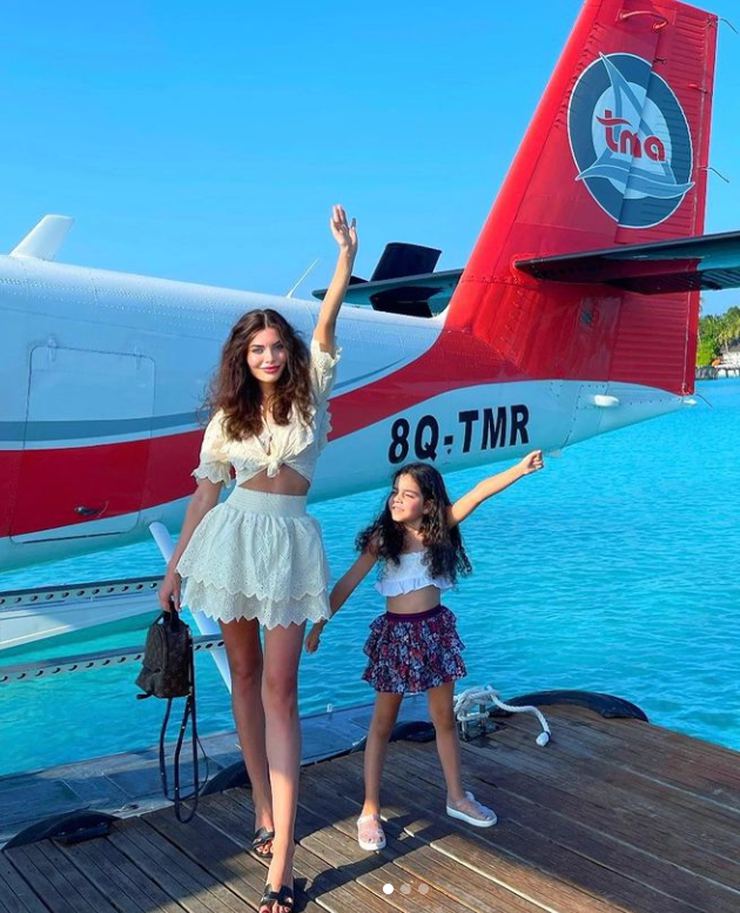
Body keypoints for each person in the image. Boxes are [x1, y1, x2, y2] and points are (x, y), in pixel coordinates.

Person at [159, 205, 358, 913]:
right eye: (257, 350)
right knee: (242, 677)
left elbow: (327, 328)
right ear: (242, 359)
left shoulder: (311, 396)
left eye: (276, 347)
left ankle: (283, 862)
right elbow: (205, 494)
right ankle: (264, 813)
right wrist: (175, 569)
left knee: (281, 690)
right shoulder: (227, 419)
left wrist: (344, 258)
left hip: (289, 544)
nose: (269, 357)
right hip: (231, 542)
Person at [304, 453, 544, 851]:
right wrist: (320, 624)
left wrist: (519, 469)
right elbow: (346, 583)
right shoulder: (383, 540)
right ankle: (369, 809)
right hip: (396, 636)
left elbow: (478, 493)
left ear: (429, 504)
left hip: (434, 632)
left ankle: (457, 797)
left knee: (443, 719)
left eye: (408, 494)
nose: (396, 499)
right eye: (395, 492)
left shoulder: (439, 530)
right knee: (382, 723)